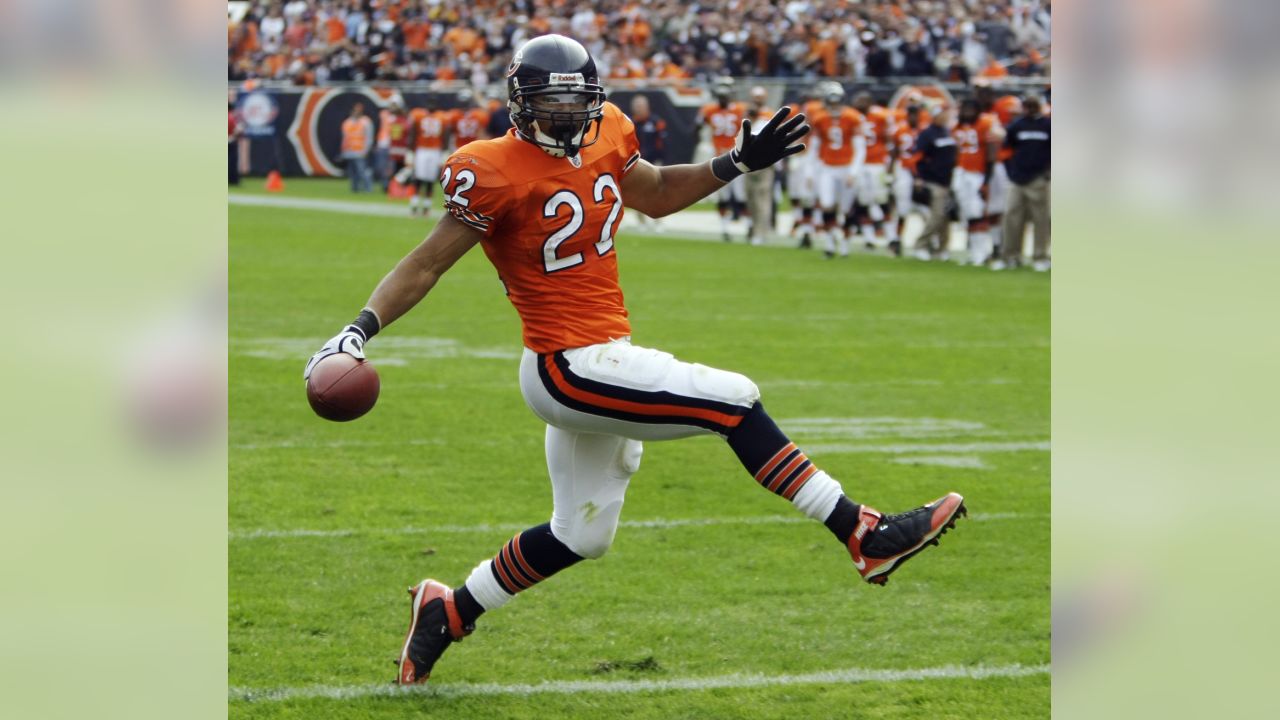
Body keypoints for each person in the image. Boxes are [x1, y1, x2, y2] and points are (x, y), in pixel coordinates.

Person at [302, 35, 965, 687]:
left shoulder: (610, 131)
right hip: (566, 362)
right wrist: (358, 331)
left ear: (595, 99)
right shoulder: (491, 169)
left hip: (599, 355)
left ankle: (450, 609)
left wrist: (734, 162)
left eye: (575, 102)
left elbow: (654, 193)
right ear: (519, 102)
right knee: (735, 400)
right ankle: (862, 533)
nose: (564, 116)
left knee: (581, 533)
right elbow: (425, 264)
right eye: (549, 103)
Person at [995, 95, 1051, 271]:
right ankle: (1010, 256)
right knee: (1011, 216)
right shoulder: (1017, 125)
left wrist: (1047, 173)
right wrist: (1011, 171)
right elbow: (1005, 150)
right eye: (1027, 105)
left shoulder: (1048, 125)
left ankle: (1040, 256)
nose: (1030, 109)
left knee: (1041, 219)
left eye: (1033, 105)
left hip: (1038, 178)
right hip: (1017, 179)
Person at [809, 81, 865, 259]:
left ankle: (845, 245)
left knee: (846, 209)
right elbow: (814, 147)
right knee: (827, 204)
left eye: (836, 101)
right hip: (827, 167)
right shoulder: (819, 118)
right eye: (831, 101)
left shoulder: (852, 117)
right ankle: (830, 242)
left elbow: (860, 148)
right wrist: (811, 172)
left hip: (847, 166)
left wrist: (854, 172)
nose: (834, 105)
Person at [699, 80, 747, 242]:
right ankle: (725, 228)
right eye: (721, 96)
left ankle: (748, 226)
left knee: (740, 194)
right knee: (724, 195)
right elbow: (697, 126)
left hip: (736, 153)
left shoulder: (739, 109)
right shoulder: (710, 110)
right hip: (720, 155)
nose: (723, 99)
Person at [952, 99, 998, 265]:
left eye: (970, 109)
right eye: (964, 109)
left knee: (978, 213)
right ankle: (974, 252)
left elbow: (991, 155)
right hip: (961, 173)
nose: (967, 113)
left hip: (977, 174)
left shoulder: (985, 124)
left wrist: (986, 180)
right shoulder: (957, 127)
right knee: (967, 214)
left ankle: (982, 252)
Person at [912, 107, 957, 261]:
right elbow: (917, 157)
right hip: (933, 180)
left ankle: (942, 248)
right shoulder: (927, 134)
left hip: (948, 180)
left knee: (945, 216)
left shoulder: (948, 132)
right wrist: (918, 177)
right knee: (937, 215)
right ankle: (921, 245)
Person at [850, 92, 893, 250]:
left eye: (862, 100)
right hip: (859, 164)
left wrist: (888, 162)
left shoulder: (881, 116)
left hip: (876, 162)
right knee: (862, 201)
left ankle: (891, 237)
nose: (859, 103)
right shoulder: (851, 117)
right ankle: (869, 237)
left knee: (881, 199)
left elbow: (890, 140)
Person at [887, 104, 924, 257]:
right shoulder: (899, 130)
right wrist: (889, 172)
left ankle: (927, 241)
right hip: (903, 169)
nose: (913, 117)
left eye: (916, 114)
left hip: (921, 170)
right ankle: (897, 239)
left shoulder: (924, 130)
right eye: (911, 114)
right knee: (903, 208)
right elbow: (894, 152)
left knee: (925, 208)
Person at [407, 97, 453, 217]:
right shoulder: (418, 115)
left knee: (430, 179)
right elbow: (413, 133)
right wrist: (410, 152)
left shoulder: (442, 117)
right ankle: (414, 205)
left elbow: (446, 135)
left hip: (435, 150)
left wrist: (445, 152)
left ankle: (426, 207)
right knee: (418, 178)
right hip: (421, 149)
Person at [628, 94, 668, 232]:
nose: (638, 108)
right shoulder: (629, 122)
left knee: (656, 192)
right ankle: (641, 222)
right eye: (636, 105)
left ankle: (659, 221)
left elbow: (662, 143)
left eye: (640, 105)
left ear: (647, 106)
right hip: (636, 162)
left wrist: (660, 160)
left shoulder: (656, 121)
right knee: (637, 193)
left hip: (653, 162)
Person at [743, 86, 776, 246]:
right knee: (751, 199)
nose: (756, 101)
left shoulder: (767, 116)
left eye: (759, 98)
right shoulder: (747, 116)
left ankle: (761, 232)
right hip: (747, 164)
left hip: (763, 165)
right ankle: (753, 228)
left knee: (762, 199)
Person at [340, 102, 374, 193]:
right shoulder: (347, 122)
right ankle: (355, 188)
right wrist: (343, 151)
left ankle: (368, 188)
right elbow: (345, 138)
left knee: (362, 171)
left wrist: (366, 150)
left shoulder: (366, 122)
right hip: (349, 152)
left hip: (360, 151)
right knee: (352, 173)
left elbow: (369, 137)